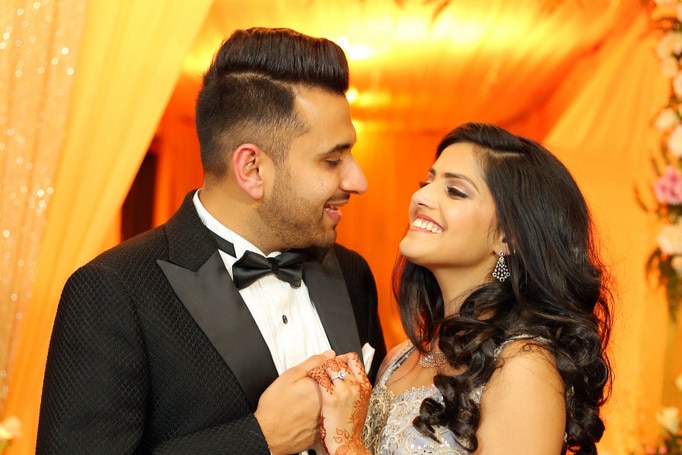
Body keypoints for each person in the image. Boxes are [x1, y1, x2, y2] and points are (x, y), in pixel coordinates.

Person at [37, 27, 386, 455]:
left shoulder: (352, 274)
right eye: (333, 159)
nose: (358, 180)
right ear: (252, 169)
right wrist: (258, 441)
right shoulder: (114, 291)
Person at [307, 122, 613, 455]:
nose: (420, 197)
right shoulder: (400, 357)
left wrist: (345, 444)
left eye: (455, 191)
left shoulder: (522, 369)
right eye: (428, 181)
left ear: (508, 237)